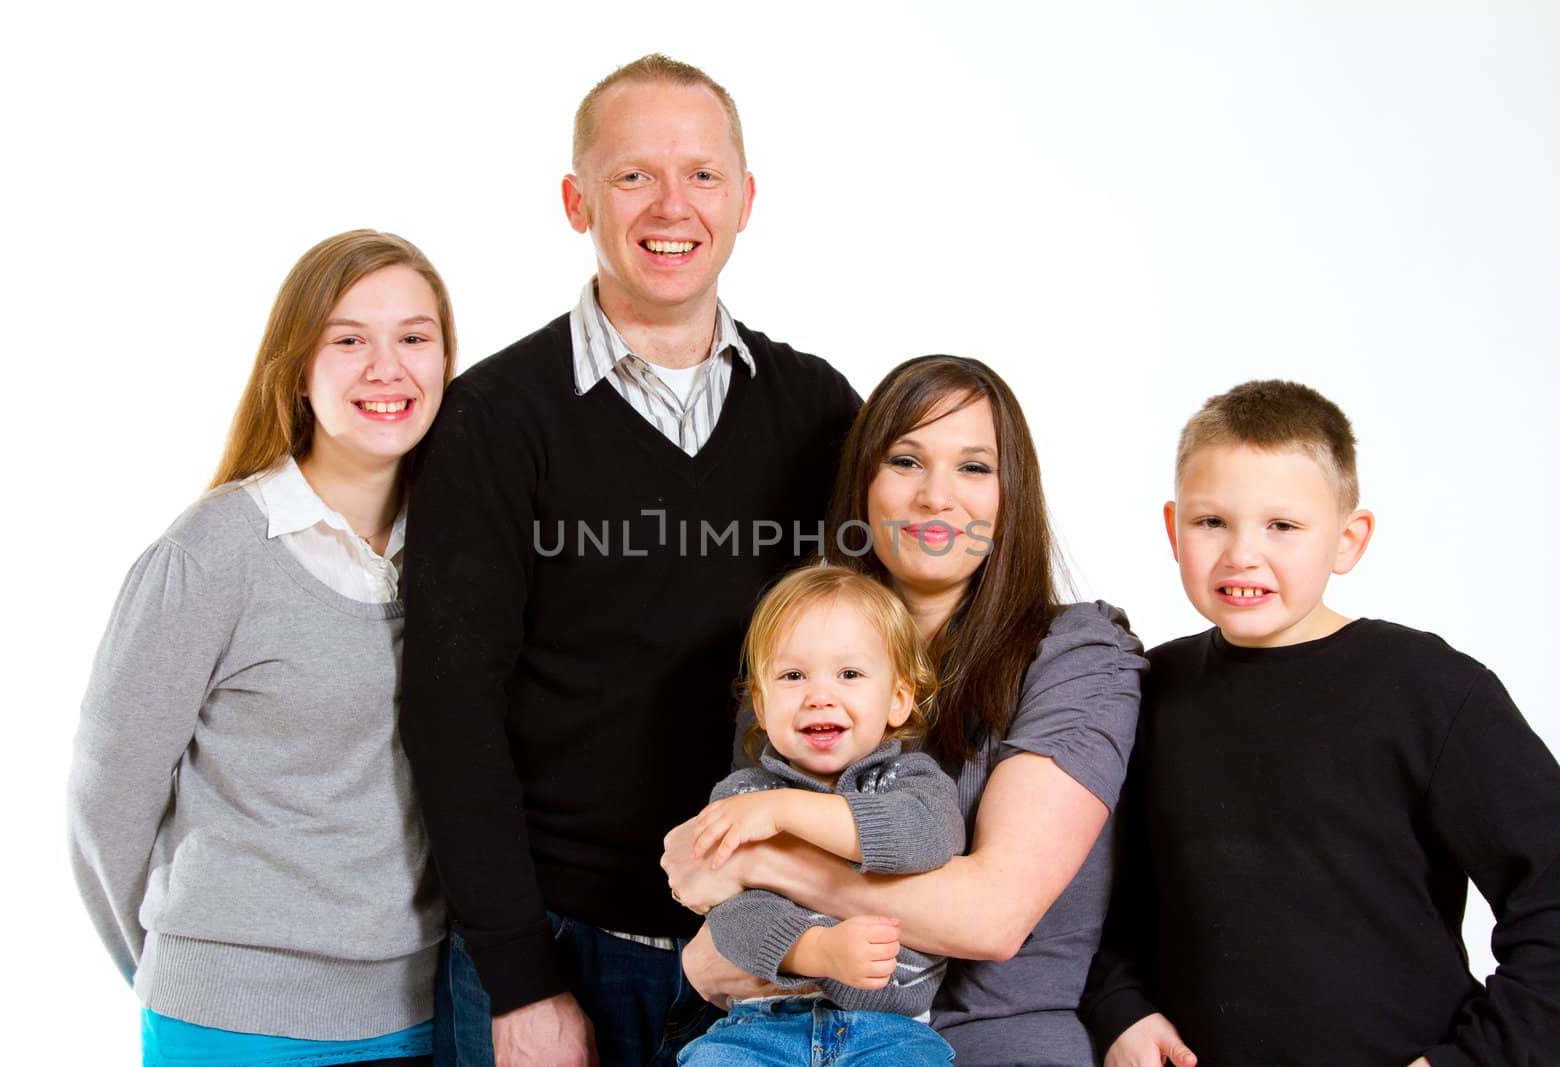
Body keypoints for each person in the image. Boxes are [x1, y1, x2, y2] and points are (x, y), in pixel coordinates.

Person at [400, 54, 861, 1067]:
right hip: (555, 943)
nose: (672, 205)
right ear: (577, 201)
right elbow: (449, 709)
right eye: (632, 175)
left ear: (745, 200)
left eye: (701, 174)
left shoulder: (818, 410)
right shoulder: (494, 419)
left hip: (766, 948)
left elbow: (890, 643)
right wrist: (520, 978)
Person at [664, 355, 1148, 1066]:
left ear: (1012, 494)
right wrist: (709, 948)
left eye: (974, 467)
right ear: (865, 482)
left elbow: (992, 916)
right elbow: (713, 914)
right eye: (906, 460)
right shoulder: (797, 658)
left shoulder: (1077, 655)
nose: (936, 496)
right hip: (781, 1039)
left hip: (993, 1047)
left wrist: (768, 854)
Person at [1078, 380, 1560, 1066]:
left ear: (1348, 538)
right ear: (1172, 527)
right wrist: (1120, 1008)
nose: (1242, 553)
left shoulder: (1431, 688)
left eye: (1282, 525)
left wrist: (1474, 1058)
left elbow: (1551, 886)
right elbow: (1094, 899)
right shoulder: (1145, 691)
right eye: (1211, 521)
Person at [68, 229, 457, 1066]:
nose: (386, 368)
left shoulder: (462, 550)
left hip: (425, 1008)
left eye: (414, 338)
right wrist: (193, 962)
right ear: (297, 365)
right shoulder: (212, 554)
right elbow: (106, 802)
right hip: (233, 1021)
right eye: (349, 339)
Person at [679, 564, 964, 1066]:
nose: (819, 696)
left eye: (849, 674)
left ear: (898, 699)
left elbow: (923, 838)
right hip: (762, 1025)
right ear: (762, 707)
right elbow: (732, 914)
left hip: (890, 1034)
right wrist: (818, 952)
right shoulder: (743, 795)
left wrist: (786, 811)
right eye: (793, 676)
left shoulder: (912, 782)